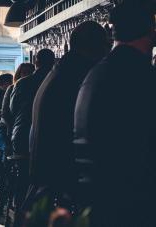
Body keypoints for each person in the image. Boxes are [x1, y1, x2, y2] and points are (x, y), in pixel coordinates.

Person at [74, 2, 156, 226]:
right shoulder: (140, 75)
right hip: (130, 205)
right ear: (150, 30)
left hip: (97, 200)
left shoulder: (97, 72)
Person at [26, 21, 109, 213]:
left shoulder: (62, 70)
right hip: (62, 182)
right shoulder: (81, 74)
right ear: (98, 47)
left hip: (46, 175)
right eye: (107, 44)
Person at [10, 49, 55, 155]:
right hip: (52, 136)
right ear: (54, 62)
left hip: (22, 134)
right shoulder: (59, 82)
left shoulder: (22, 83)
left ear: (36, 62)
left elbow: (13, 109)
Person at [0, 63, 35, 160]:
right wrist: (11, 130)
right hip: (4, 128)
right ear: (19, 74)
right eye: (24, 72)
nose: (27, 75)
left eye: (30, 72)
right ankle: (5, 172)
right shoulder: (12, 88)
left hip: (22, 128)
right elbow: (5, 115)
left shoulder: (34, 89)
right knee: (8, 149)